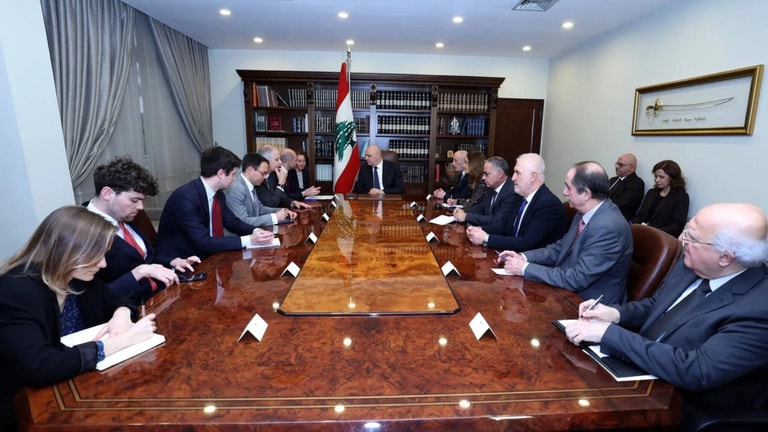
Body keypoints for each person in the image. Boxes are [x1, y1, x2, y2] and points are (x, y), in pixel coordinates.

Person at [566, 203, 768, 431]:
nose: (681, 240)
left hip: (678, 406)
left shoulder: (760, 309)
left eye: (692, 237)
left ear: (725, 257)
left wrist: (609, 334)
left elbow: (696, 370)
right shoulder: (693, 264)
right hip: (637, 372)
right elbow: (658, 307)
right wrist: (615, 314)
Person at [0, 206, 157, 431]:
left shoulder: (79, 277)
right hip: (26, 408)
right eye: (97, 256)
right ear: (68, 251)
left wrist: (121, 314)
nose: (103, 264)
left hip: (80, 388)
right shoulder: (15, 290)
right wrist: (122, 341)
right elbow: (40, 366)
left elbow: (118, 300)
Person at [500, 161, 632, 305]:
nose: (564, 192)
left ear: (586, 194)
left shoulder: (609, 227)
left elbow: (577, 279)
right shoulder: (583, 212)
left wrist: (525, 268)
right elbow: (560, 248)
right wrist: (524, 257)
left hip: (589, 305)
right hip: (565, 292)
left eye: (569, 187)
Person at [86, 156, 199, 306]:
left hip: (159, 299)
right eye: (134, 200)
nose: (140, 207)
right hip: (125, 311)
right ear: (107, 193)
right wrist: (138, 273)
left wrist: (172, 262)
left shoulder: (122, 214)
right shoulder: (82, 230)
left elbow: (142, 258)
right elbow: (91, 299)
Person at [157, 146, 274, 260]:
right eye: (233, 174)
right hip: (184, 261)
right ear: (221, 173)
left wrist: (256, 231)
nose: (235, 178)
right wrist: (250, 240)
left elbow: (232, 222)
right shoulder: (186, 198)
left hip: (210, 255)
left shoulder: (218, 193)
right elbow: (203, 242)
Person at [467, 153, 568, 251]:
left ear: (533, 177)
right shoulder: (519, 197)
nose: (513, 178)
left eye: (518, 173)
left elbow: (528, 243)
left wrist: (486, 238)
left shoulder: (548, 204)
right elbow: (504, 227)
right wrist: (479, 230)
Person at [226, 153, 296, 227]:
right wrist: (275, 217)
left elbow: (260, 209)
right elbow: (243, 221)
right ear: (250, 170)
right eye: (263, 173)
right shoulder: (237, 188)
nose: (265, 177)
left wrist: (283, 211)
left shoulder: (250, 184)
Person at [453, 156, 518, 236]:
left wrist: (466, 216)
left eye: (486, 174)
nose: (483, 178)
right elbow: (481, 208)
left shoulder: (512, 192)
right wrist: (463, 211)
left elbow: (497, 221)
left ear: (499, 174)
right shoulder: (491, 187)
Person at [631, 159, 689, 237]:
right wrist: (632, 226)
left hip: (662, 237)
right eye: (656, 176)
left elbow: (677, 226)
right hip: (642, 232)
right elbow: (640, 215)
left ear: (672, 178)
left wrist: (653, 231)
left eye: (661, 177)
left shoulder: (681, 197)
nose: (657, 180)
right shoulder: (651, 193)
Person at [608, 153, 645, 221]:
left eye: (621, 165)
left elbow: (622, 205)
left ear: (632, 168)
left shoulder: (636, 183)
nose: (617, 167)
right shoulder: (613, 180)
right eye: (617, 164)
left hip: (619, 219)